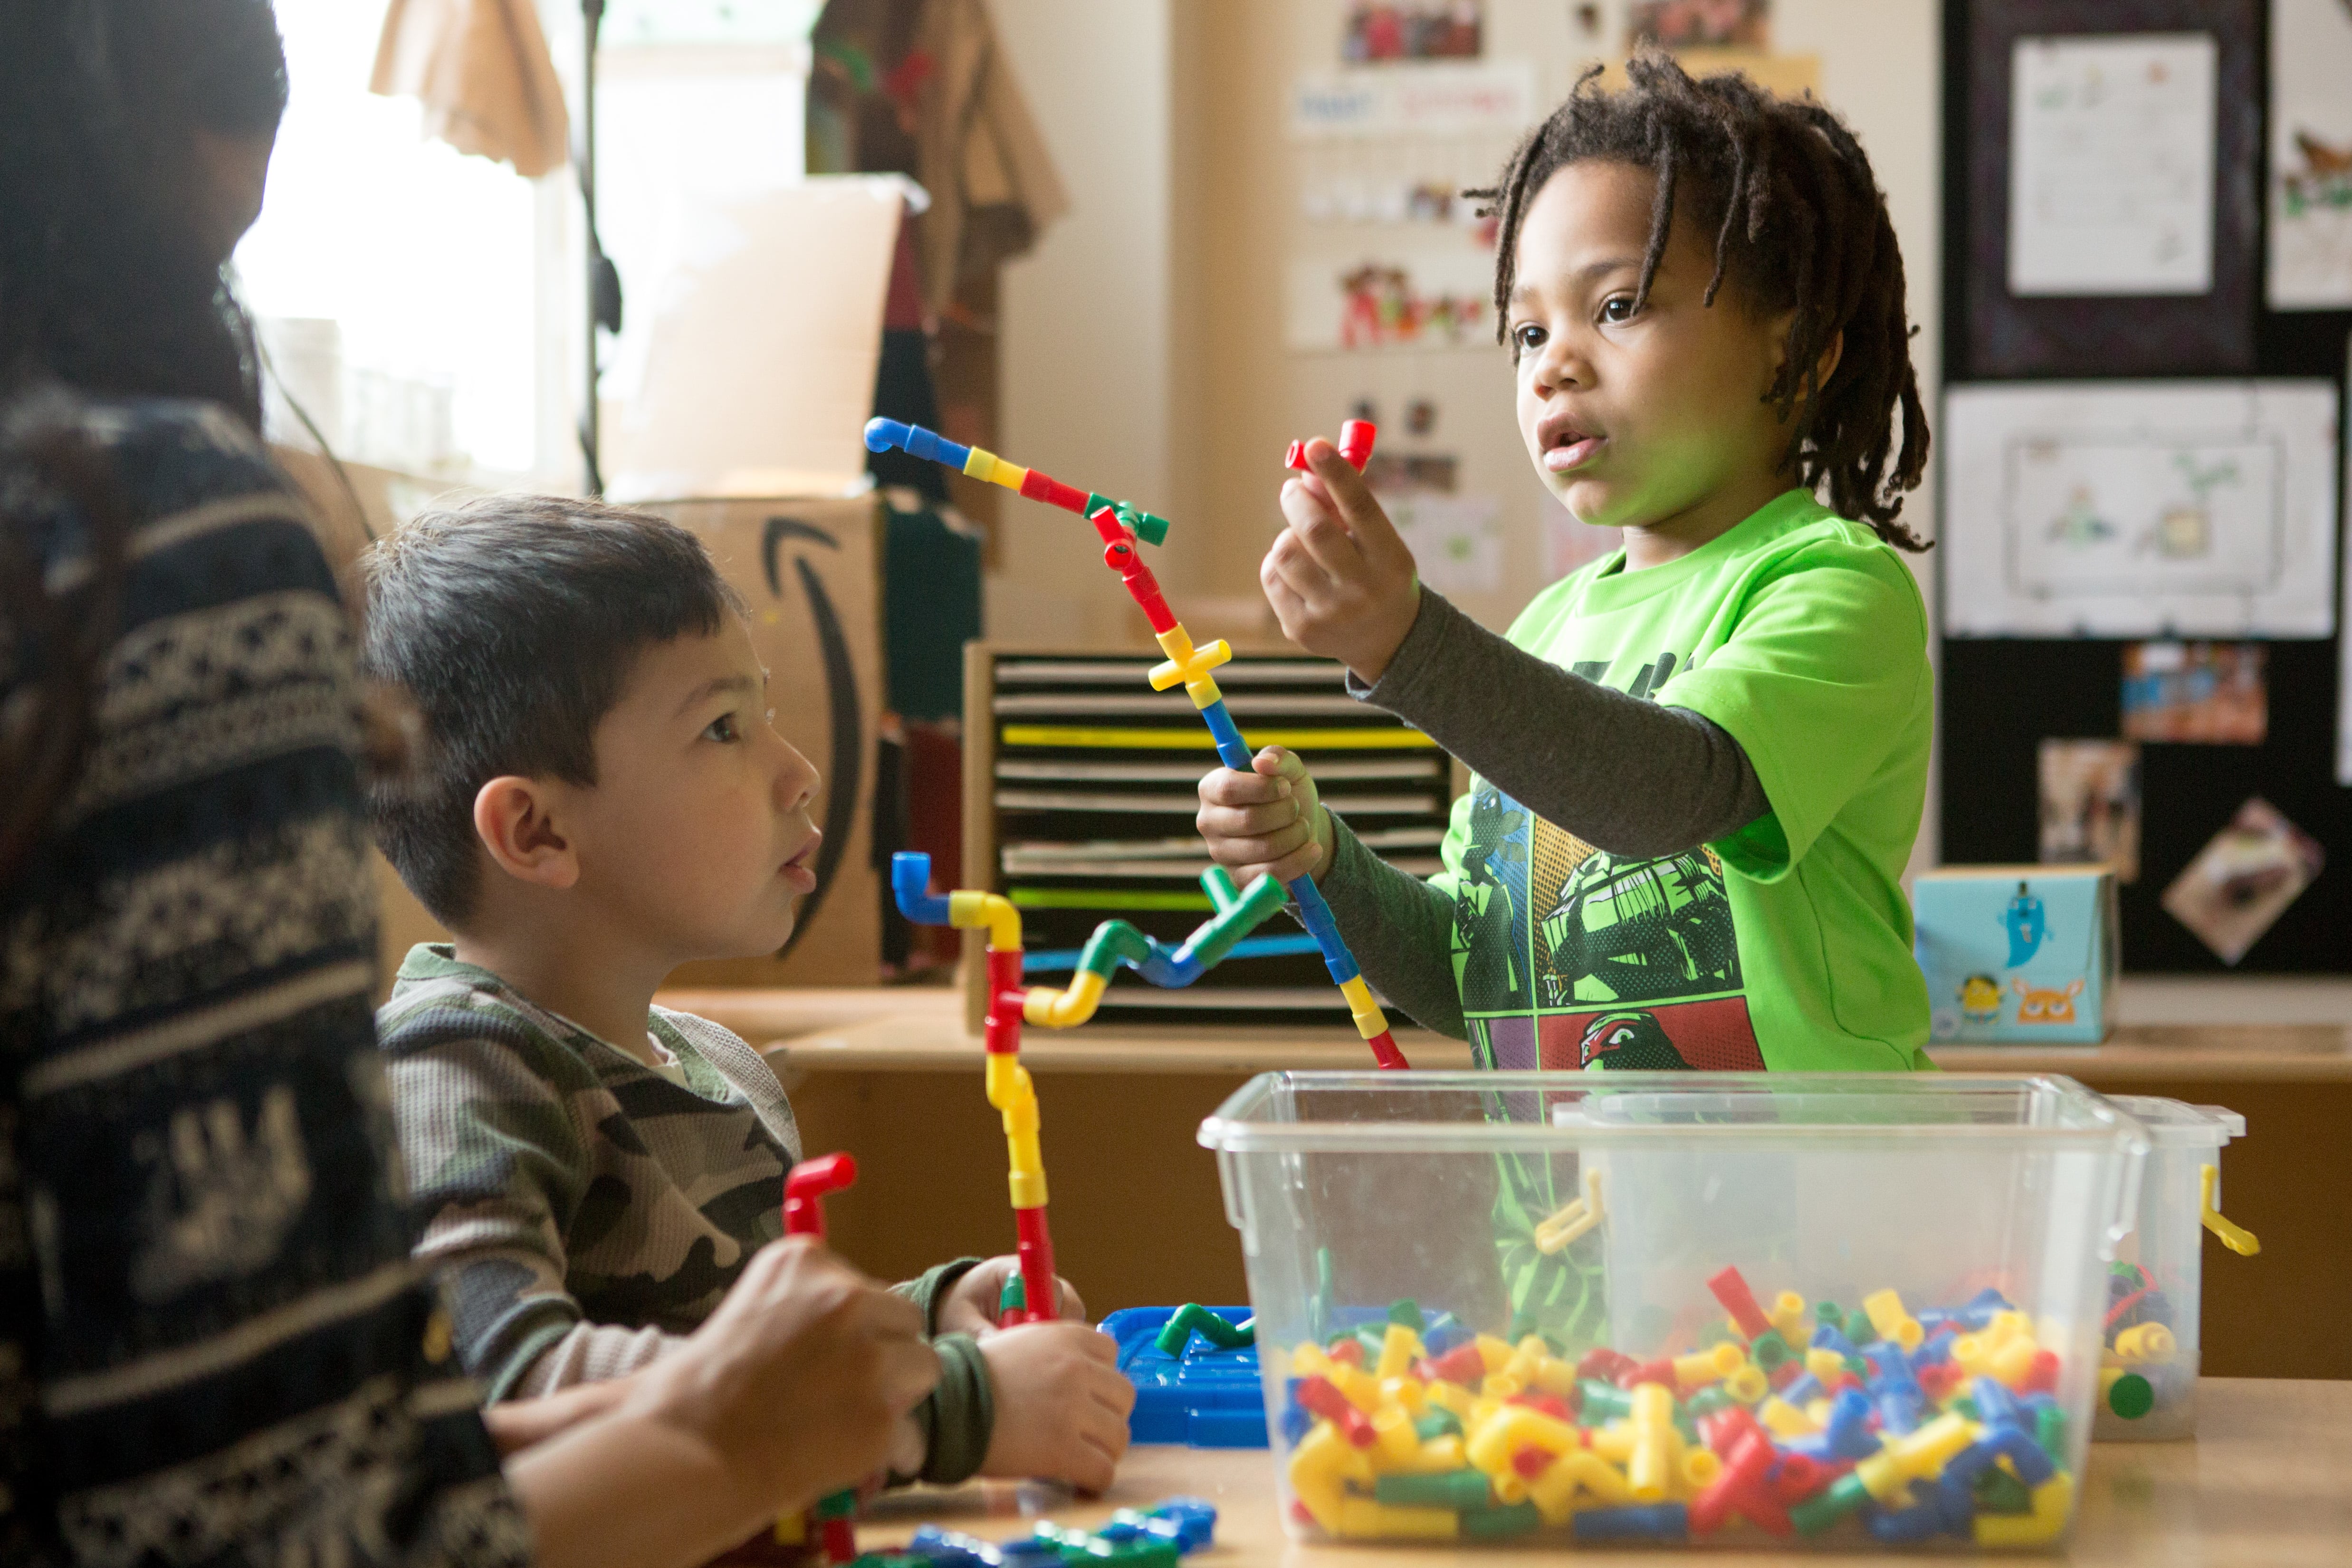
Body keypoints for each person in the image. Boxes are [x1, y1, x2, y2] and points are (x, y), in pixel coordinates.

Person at [0, 4, 939, 1567]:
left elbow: (354, 1431)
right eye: (200, 262)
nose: (798, 775)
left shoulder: (720, 1065)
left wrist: (896, 1351)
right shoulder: (128, 550)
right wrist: (779, 1431)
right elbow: (270, 1521)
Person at [1194, 58, 1935, 1319]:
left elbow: (1669, 790)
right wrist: (1321, 861)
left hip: (1813, 1289)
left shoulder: (1832, 588)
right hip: (1564, 1285)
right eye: (1529, 329)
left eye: (1618, 305)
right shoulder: (1544, 630)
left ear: (1796, 347)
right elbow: (1476, 977)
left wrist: (1403, 643)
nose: (1552, 364)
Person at [360, 497, 1136, 1493]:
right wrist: (946, 1403)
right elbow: (508, 1394)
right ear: (539, 833)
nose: (800, 773)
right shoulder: (451, 1067)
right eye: (724, 728)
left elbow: (721, 1341)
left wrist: (930, 1314)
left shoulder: (715, 1063)